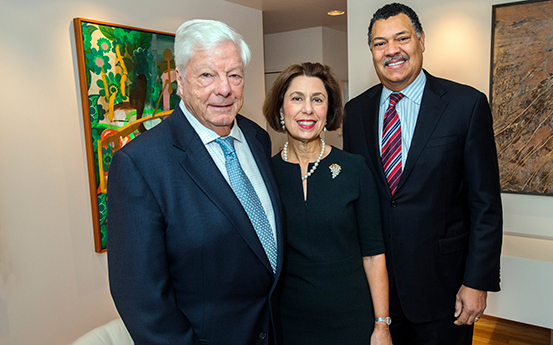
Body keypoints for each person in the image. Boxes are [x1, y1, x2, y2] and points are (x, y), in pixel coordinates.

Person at [107, 19, 285, 345]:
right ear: (179, 80)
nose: (224, 89)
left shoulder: (257, 139)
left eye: (234, 75)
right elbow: (142, 300)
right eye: (207, 75)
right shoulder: (139, 163)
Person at [343, 3, 503, 345]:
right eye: (380, 43)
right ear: (371, 51)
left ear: (421, 40)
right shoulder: (355, 112)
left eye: (401, 38)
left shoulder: (466, 105)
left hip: (443, 291)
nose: (392, 51)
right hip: (377, 293)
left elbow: (485, 203)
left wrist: (477, 282)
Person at [263, 62, 393, 345]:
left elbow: (373, 255)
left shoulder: (355, 169)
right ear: (280, 109)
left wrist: (382, 325)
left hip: (351, 318)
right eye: (297, 98)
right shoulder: (265, 175)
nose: (307, 109)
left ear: (329, 111)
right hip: (289, 322)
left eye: (317, 100)